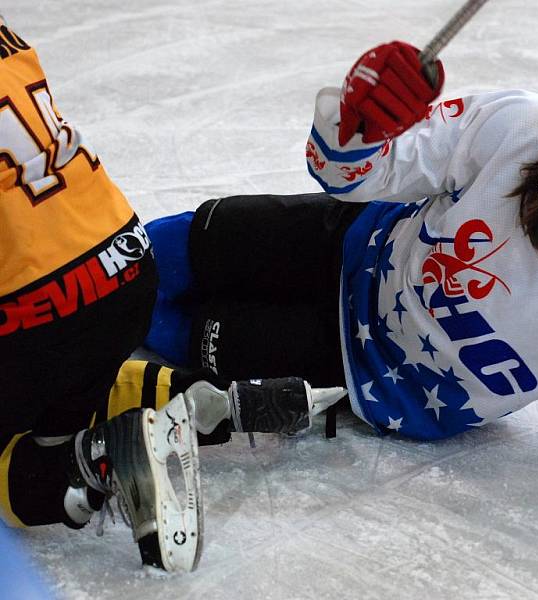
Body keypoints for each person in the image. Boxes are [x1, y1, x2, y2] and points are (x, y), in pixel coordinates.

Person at [144, 40, 538, 534]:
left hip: (367, 376)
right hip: (350, 243)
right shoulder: (516, 127)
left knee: (179, 330)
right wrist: (358, 126)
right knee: (173, 249)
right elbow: (361, 172)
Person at [0, 16, 342, 574]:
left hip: (40, 309)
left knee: (29, 392)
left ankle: (96, 461)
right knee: (59, 375)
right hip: (123, 264)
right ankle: (203, 402)